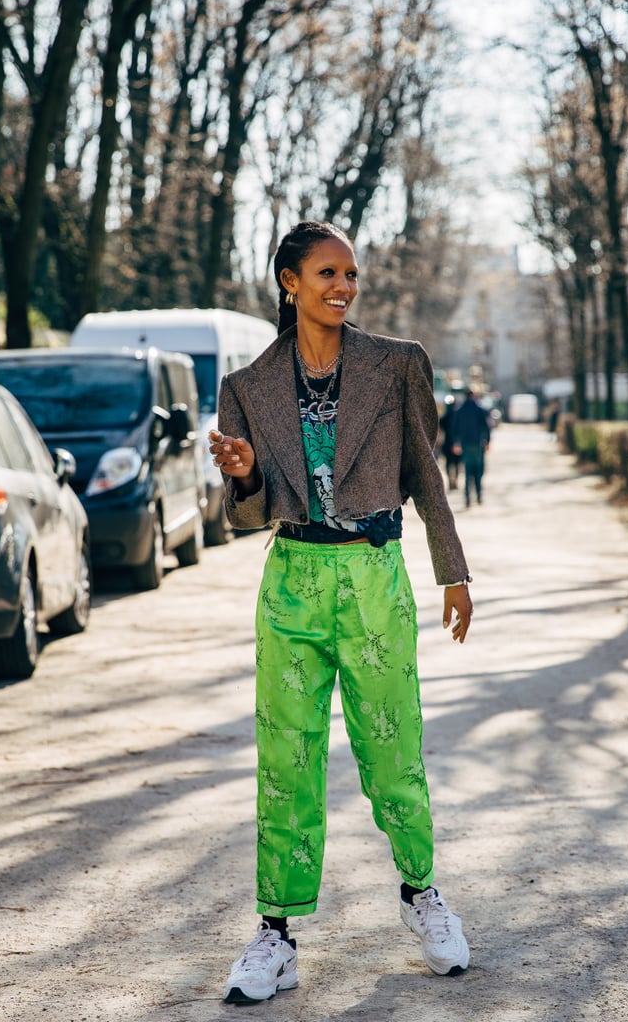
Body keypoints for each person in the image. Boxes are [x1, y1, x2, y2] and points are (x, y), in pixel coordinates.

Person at [209, 221, 473, 1005]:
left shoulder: (396, 365)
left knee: (392, 748)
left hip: (373, 574)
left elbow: (425, 474)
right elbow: (241, 517)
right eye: (326, 273)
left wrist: (451, 572)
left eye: (350, 274)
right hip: (291, 578)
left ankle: (421, 894)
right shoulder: (247, 386)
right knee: (285, 758)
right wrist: (246, 474)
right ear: (289, 282)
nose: (343, 286)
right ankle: (275, 933)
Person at [452, 387, 491, 507]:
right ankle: (479, 496)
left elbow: (454, 429)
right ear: (473, 396)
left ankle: (468, 498)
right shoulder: (480, 409)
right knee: (478, 471)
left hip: (465, 445)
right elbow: (486, 426)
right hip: (478, 444)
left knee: (468, 472)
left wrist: (456, 443)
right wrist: (487, 441)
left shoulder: (460, 410)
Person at [438, 394, 462, 490]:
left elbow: (439, 429)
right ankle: (453, 481)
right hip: (456, 443)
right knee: (455, 463)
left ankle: (452, 481)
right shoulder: (458, 416)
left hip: (448, 443)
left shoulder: (445, 416)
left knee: (450, 463)